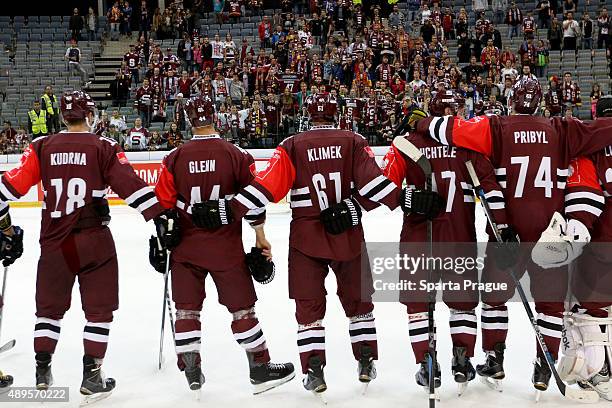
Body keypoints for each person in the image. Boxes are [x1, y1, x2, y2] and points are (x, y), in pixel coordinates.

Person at [195, 93, 440, 396]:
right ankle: (365, 360)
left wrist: (228, 210)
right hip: (347, 236)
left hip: (306, 239)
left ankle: (314, 370)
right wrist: (404, 199)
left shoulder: (293, 145)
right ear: (337, 114)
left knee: (309, 309)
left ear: (308, 115)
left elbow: (265, 188)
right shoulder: (353, 140)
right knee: (359, 304)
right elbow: (373, 184)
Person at [414, 77, 612, 394]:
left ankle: (495, 357)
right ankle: (543, 368)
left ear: (511, 98)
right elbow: (602, 130)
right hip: (552, 233)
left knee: (494, 299)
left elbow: (453, 131)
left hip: (506, 232)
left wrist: (423, 121)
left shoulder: (496, 127)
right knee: (550, 306)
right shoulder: (562, 129)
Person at [0, 90, 167, 403]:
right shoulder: (104, 146)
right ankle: (92, 375)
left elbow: (2, 193)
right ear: (89, 116)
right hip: (94, 241)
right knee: (99, 312)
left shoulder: (40, 146)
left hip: (54, 243)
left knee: (48, 311)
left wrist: (6, 230)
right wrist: (160, 219)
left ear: (63, 117)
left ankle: (42, 370)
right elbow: (132, 188)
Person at [152, 94, 295, 393]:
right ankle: (259, 366)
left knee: (187, 310)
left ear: (190, 120)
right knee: (242, 309)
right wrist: (260, 237)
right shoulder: (236, 154)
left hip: (185, 250)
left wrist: (162, 238)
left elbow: (163, 203)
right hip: (226, 250)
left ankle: (191, 369)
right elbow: (254, 201)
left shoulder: (174, 157)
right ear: (215, 117)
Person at [383, 91, 509, 394]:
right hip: (459, 236)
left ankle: (426, 361)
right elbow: (491, 192)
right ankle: (462, 358)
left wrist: (408, 197)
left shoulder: (406, 144)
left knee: (418, 306)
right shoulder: (467, 147)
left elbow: (381, 186)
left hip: (418, 239)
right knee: (462, 305)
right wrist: (501, 227)